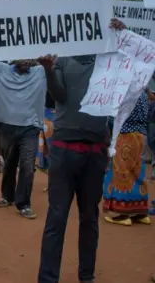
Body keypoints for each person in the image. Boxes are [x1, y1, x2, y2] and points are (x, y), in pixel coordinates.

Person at [36, 19, 121, 283]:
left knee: (89, 218)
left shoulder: (108, 60)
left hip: (95, 152)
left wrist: (123, 32)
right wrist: (49, 71)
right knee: (57, 217)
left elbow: (135, 63)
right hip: (64, 151)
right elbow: (59, 95)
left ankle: (87, 276)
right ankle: (48, 278)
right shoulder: (61, 59)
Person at [0, 59, 46, 219]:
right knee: (9, 163)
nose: (26, 60)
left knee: (27, 166)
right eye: (22, 56)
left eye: (29, 56)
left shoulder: (40, 72)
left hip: (31, 128)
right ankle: (7, 195)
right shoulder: (0, 69)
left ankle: (24, 203)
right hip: (8, 128)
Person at [103, 91, 150, 225]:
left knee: (121, 174)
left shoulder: (124, 93)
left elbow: (114, 118)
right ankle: (140, 213)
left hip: (125, 135)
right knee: (137, 172)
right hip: (141, 136)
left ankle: (123, 214)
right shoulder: (142, 93)